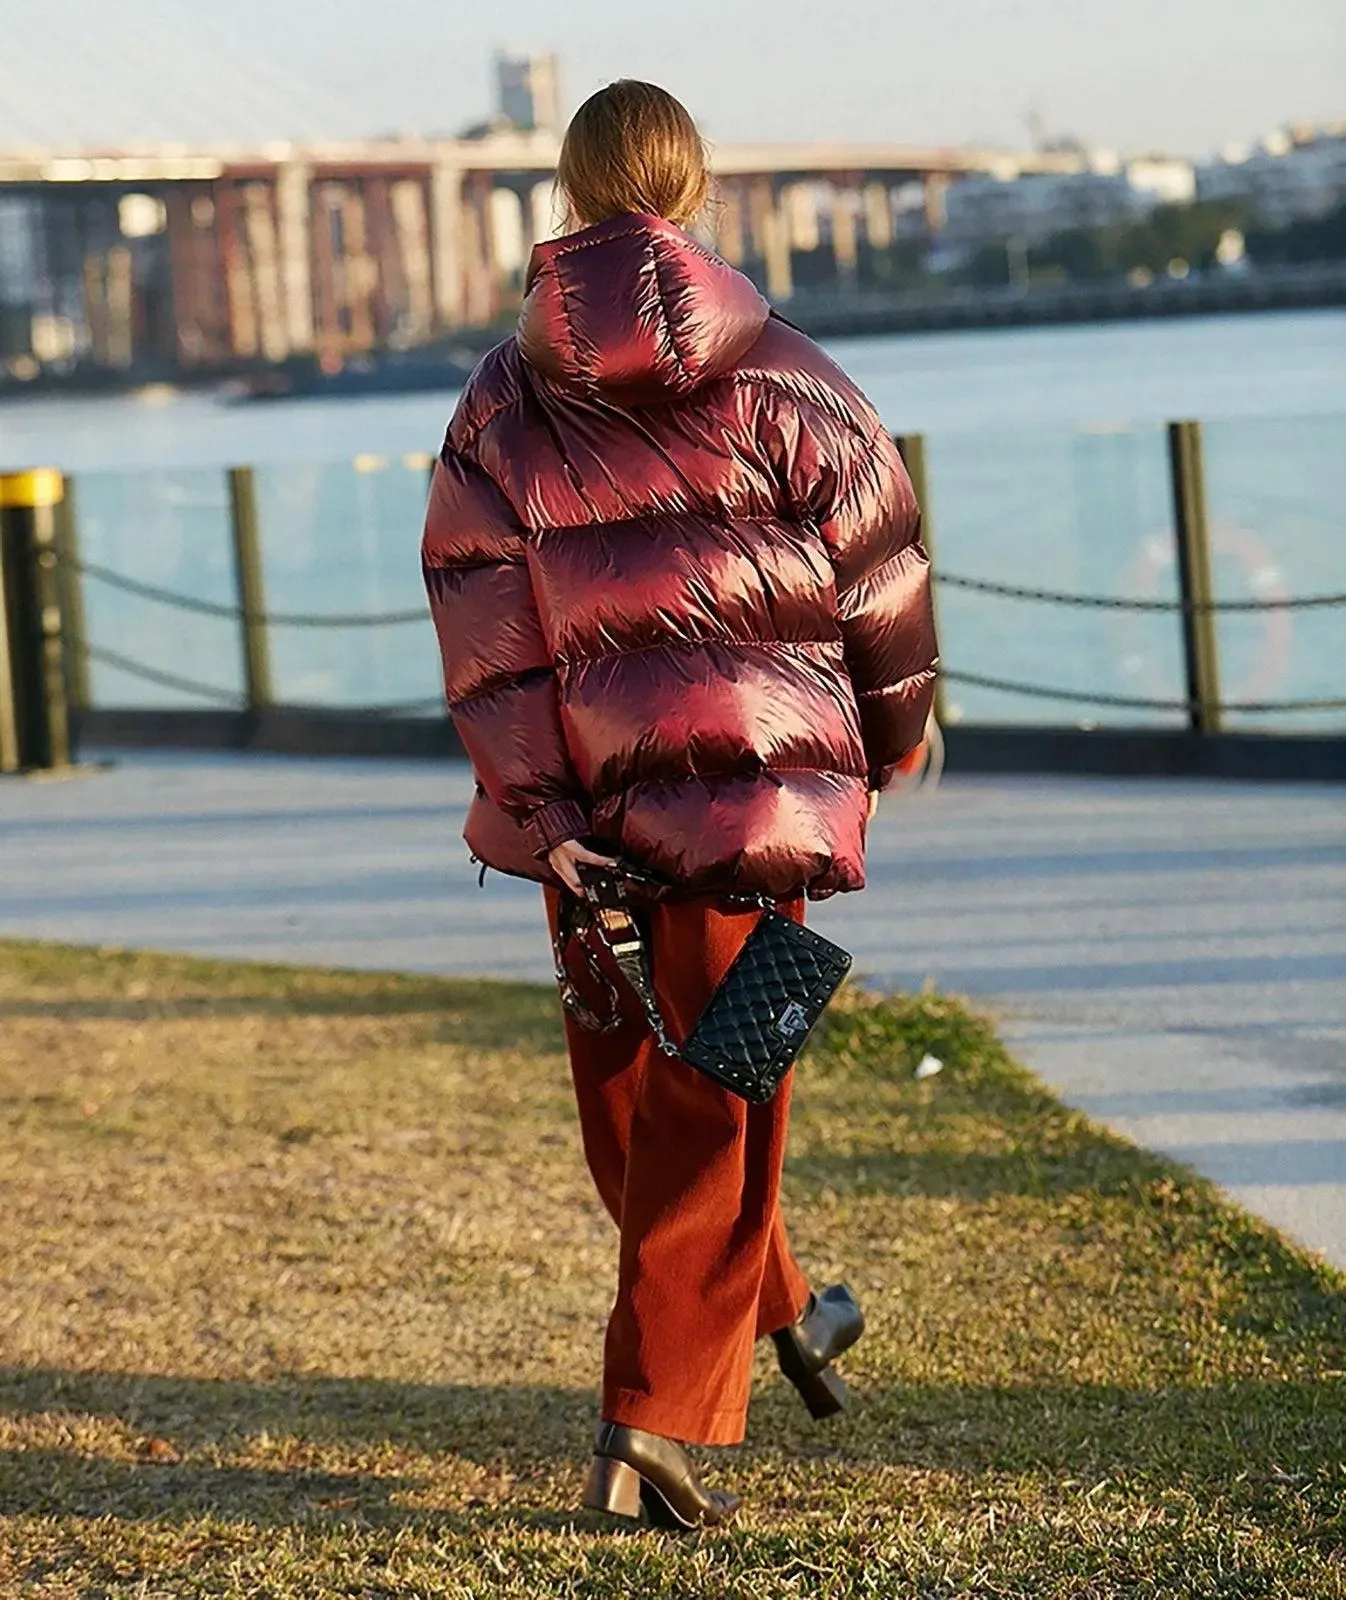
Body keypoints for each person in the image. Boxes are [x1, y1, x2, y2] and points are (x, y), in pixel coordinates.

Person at [421, 79, 937, 1529]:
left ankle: (781, 1318)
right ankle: (647, 1425)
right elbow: (879, 580)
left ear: (570, 194)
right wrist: (887, 752)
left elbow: (483, 628)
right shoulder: (791, 376)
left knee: (642, 1102)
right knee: (710, 1111)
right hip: (752, 809)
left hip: (589, 824)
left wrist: (540, 816)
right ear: (693, 188)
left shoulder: (496, 403)